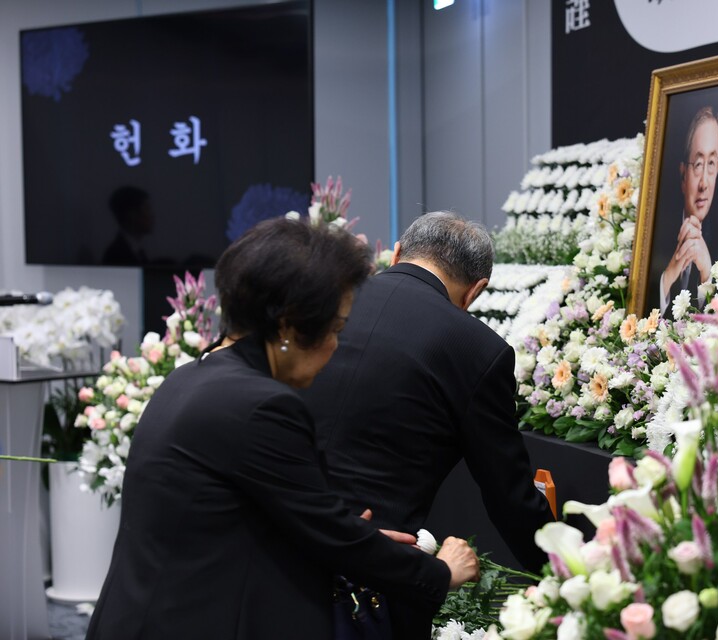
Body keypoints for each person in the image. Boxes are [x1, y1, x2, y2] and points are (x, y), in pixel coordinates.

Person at [86, 217, 479, 640]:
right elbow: (336, 539)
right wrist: (441, 572)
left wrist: (338, 527)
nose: (335, 347)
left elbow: (244, 515)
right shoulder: (261, 405)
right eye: (336, 329)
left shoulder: (191, 378)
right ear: (289, 326)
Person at [301, 211, 555, 637]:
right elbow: (507, 493)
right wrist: (562, 567)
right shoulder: (478, 349)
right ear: (475, 291)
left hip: (280, 546)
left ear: (397, 253)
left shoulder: (325, 302)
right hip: (374, 576)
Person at [658, 105, 718, 315]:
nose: (704, 183)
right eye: (697, 164)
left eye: (711, 163)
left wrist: (707, 275)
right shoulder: (658, 231)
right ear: (683, 173)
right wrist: (667, 278)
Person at [103, 185, 153, 265]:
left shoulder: (137, 251)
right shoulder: (115, 255)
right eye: (147, 209)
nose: (151, 215)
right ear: (132, 214)